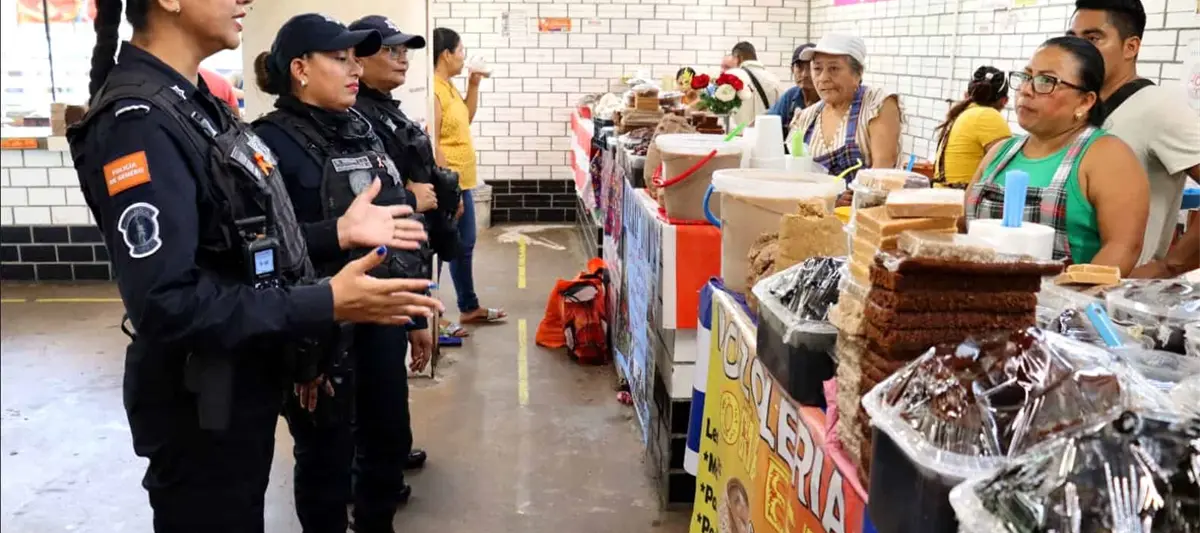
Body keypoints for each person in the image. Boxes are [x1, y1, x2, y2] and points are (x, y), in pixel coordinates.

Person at [70, 1, 442, 531]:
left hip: (237, 389)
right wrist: (325, 302)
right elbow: (165, 302)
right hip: (200, 402)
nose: (244, 0)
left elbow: (240, 250)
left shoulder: (193, 104)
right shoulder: (139, 121)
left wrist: (338, 233)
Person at [250, 13, 435, 532]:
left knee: (385, 443)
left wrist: (414, 309)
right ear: (300, 69)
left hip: (379, 321)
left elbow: (399, 223)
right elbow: (265, 253)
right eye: (340, 58)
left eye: (356, 58)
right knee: (326, 462)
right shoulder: (268, 145)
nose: (354, 68)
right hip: (317, 330)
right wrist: (302, 357)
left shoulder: (363, 130)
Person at [965, 36, 1149, 273]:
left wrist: (1069, 301)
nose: (1026, 90)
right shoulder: (1000, 153)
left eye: (1046, 81)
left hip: (1063, 305)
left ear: (1085, 101)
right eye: (1026, 77)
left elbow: (1122, 248)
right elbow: (963, 226)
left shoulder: (1108, 156)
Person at [1068, 0, 1200, 277]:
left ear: (1131, 47)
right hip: (1065, 289)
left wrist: (1170, 265)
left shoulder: (1159, 107)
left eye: (1093, 38)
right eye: (1073, 39)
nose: (1079, 51)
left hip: (1119, 301)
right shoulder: (1079, 107)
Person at [432, 27, 507, 335]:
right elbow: (432, 142)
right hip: (449, 183)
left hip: (464, 180)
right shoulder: (433, 90)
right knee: (438, 250)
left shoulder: (448, 86)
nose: (464, 56)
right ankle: (433, 317)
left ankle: (469, 307)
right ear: (446, 54)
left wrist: (473, 83)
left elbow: (466, 116)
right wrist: (450, 191)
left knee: (465, 245)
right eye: (461, 51)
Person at [789, 33, 903, 183]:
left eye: (834, 68)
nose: (823, 78)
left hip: (867, 204)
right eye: (817, 69)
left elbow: (883, 167)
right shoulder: (806, 117)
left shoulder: (876, 104)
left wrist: (856, 196)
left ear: (858, 73)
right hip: (817, 204)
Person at [933, 66, 1012, 188]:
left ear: (966, 95)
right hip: (961, 202)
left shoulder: (959, 115)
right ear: (1004, 101)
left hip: (943, 197)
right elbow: (1005, 171)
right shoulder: (989, 116)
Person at [767, 43, 819, 138]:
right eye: (799, 67)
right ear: (792, 69)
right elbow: (769, 121)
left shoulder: (827, 99)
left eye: (811, 68)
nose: (804, 74)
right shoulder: (791, 96)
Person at [725, 41, 783, 127]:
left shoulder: (731, 76)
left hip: (736, 137)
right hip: (766, 136)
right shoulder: (775, 80)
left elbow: (721, 112)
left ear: (738, 58)